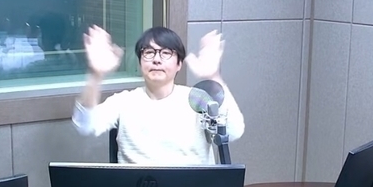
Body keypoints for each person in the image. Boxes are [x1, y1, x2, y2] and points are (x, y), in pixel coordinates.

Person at [72, 25, 244, 165]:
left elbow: (234, 131)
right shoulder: (124, 101)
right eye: (149, 52)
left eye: (166, 53)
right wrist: (95, 75)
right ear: (140, 63)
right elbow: (85, 125)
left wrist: (213, 76)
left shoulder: (197, 99)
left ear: (179, 64)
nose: (156, 59)